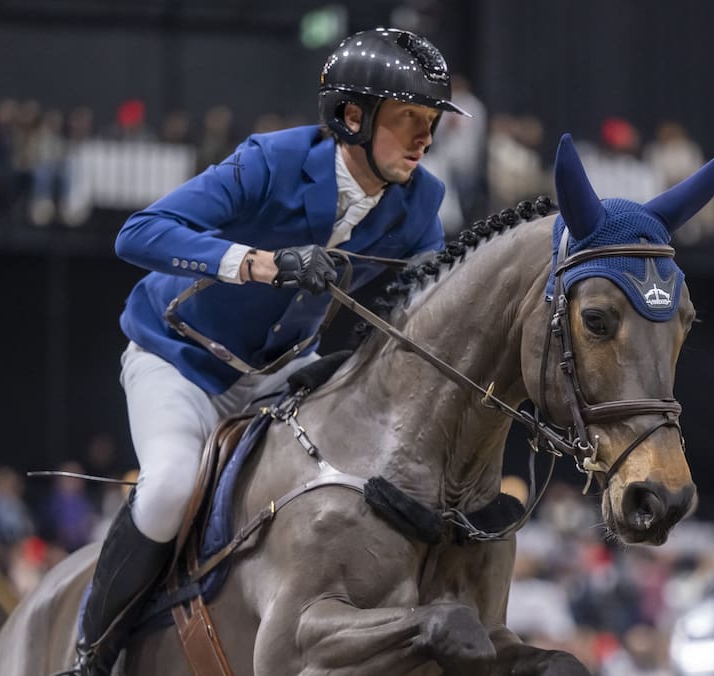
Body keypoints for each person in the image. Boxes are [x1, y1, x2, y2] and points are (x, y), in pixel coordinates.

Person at [63, 27, 467, 675]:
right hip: (180, 361)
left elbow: (424, 315)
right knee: (167, 486)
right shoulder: (270, 162)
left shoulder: (423, 204)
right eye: (409, 119)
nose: (425, 137)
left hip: (281, 375)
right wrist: (257, 263)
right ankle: (92, 650)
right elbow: (138, 233)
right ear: (353, 116)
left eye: (431, 122)